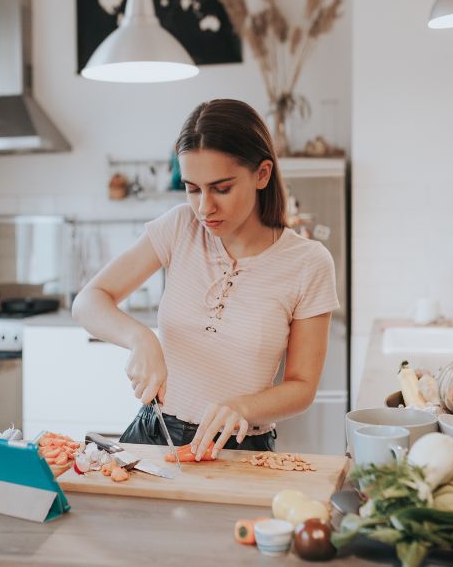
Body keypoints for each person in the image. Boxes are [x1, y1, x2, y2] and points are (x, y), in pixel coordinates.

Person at [72, 98, 339, 461]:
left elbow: (302, 388)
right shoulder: (179, 227)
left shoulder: (309, 263)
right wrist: (140, 338)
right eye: (193, 188)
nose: (204, 208)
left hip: (239, 448)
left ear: (262, 174)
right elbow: (89, 300)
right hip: (152, 434)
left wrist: (242, 408)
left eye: (222, 188)